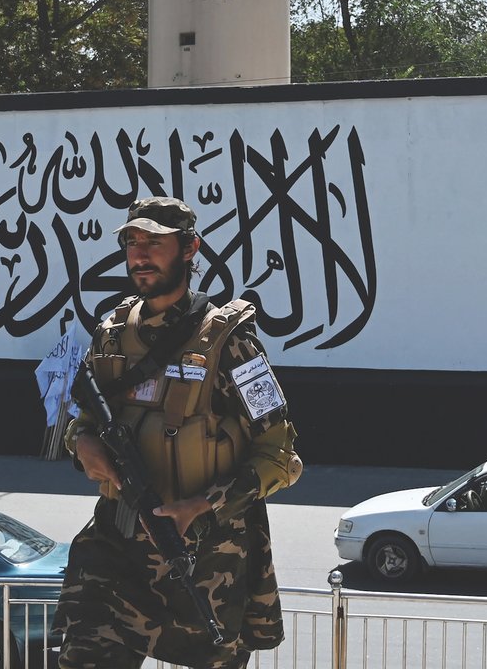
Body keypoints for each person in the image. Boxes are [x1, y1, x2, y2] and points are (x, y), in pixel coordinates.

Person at [53, 196, 302, 669]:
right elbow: (83, 415)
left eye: (154, 243)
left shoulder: (230, 343)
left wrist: (204, 506)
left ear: (190, 249)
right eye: (132, 242)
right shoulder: (111, 335)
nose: (140, 255)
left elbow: (279, 455)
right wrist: (81, 442)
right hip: (119, 546)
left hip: (205, 558)